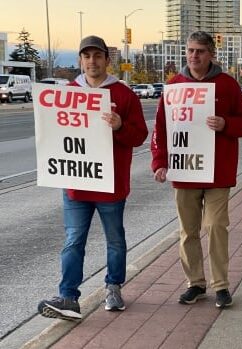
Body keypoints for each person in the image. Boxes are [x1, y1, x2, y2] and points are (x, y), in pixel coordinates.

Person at [38, 35, 148, 320]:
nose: (92, 61)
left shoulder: (123, 95)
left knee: (114, 240)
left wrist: (120, 125)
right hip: (77, 183)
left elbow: (140, 136)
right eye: (86, 56)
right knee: (73, 240)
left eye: (97, 56)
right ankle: (68, 297)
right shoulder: (69, 92)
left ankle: (113, 287)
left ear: (106, 60)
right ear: (79, 61)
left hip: (110, 183)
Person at [151, 31, 242, 309]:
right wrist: (160, 161)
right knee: (188, 231)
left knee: (216, 226)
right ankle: (195, 283)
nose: (194, 56)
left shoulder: (227, 85)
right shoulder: (174, 85)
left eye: (200, 51)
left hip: (218, 171)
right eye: (190, 51)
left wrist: (226, 124)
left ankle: (221, 285)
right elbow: (161, 128)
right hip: (186, 171)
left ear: (211, 54)